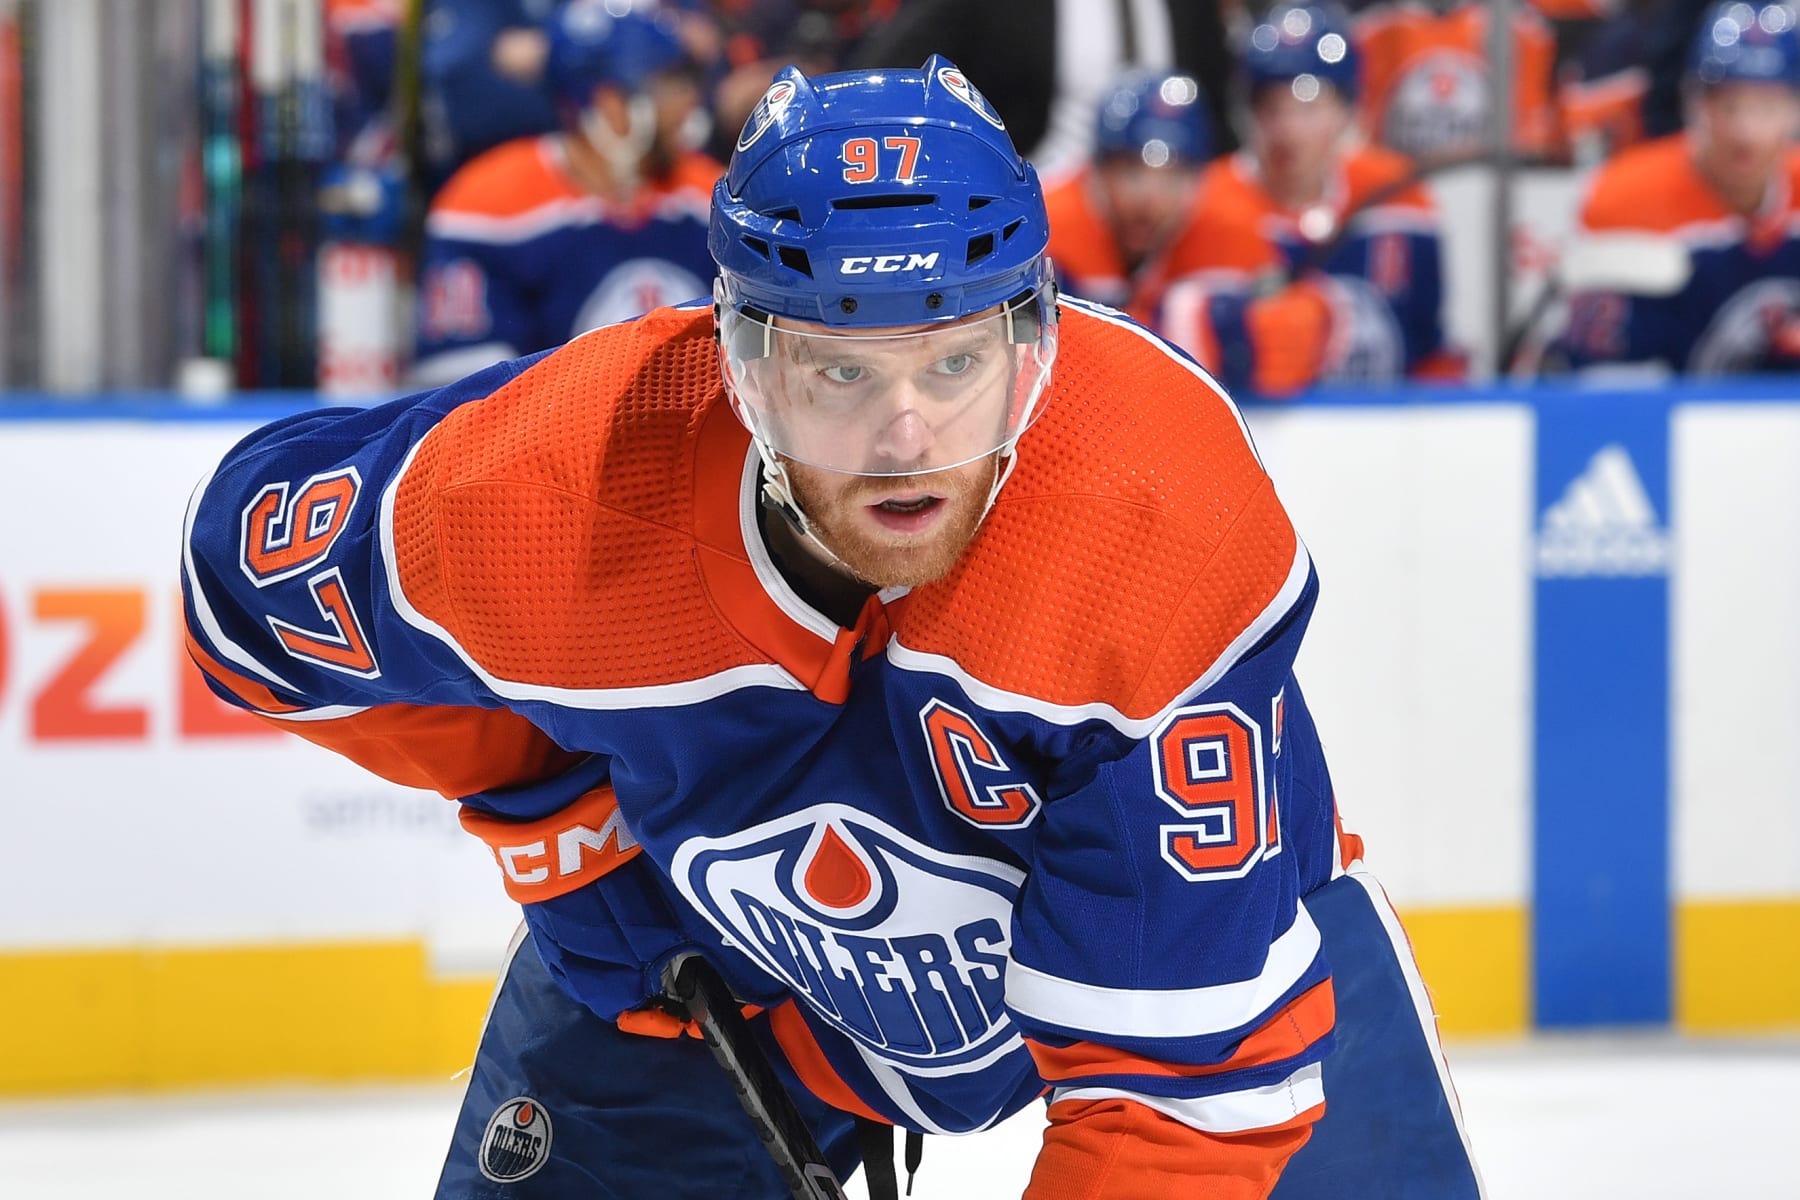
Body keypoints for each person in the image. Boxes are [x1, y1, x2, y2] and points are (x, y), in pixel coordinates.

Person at [179, 55, 1482, 1199]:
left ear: (1035, 353)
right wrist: (556, 822)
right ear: (743, 372)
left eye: (955, 362)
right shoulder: (563, 492)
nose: (904, 437)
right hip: (727, 970)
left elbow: (1177, 1117)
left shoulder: (1149, 515)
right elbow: (241, 594)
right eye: (839, 371)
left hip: (1212, 975)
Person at [410, 0, 720, 385]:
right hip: (544, 439)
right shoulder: (488, 205)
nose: (689, 101)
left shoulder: (712, 193)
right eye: (669, 85)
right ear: (610, 103)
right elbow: (461, 395)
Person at [1158, 2, 1460, 397]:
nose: (1289, 130)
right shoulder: (1205, 202)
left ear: (1348, 111)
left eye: (1309, 105)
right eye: (1272, 107)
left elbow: (1427, 349)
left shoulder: (1399, 195)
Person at [1551, 1, 1800, 374]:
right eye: (1728, 105)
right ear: (1693, 103)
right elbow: (1595, 384)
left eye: (1766, 107)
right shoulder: (1623, 196)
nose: (1745, 132)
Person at [1045, 70, 1216, 324]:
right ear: (1099, 170)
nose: (1150, 199)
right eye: (1132, 173)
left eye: (1173, 178)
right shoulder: (1045, 231)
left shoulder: (1217, 227)